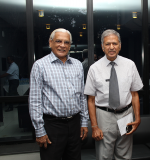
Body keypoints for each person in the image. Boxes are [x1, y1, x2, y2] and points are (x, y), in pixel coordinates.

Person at [29, 28, 89, 160]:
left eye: (66, 42)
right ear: (50, 43)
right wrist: (39, 130)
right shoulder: (40, 66)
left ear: (70, 45)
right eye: (58, 41)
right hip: (52, 126)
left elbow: (82, 97)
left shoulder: (77, 65)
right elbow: (35, 101)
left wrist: (84, 122)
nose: (62, 45)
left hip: (75, 124)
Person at [84, 29, 143, 160]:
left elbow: (134, 94)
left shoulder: (130, 65)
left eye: (115, 44)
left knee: (124, 155)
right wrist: (94, 126)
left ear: (120, 45)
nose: (111, 47)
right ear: (102, 47)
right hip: (104, 116)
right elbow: (91, 100)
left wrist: (137, 118)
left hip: (126, 115)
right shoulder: (94, 68)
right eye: (108, 44)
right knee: (104, 156)